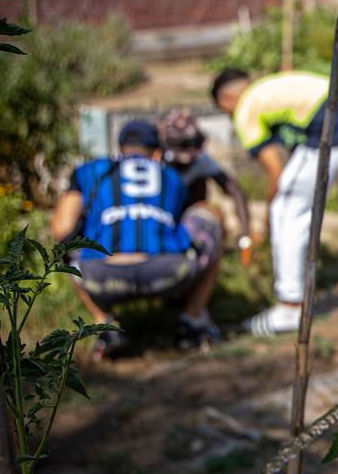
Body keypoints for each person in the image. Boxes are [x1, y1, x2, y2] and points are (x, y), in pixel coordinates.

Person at [210, 68, 338, 336]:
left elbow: (278, 174)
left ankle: (289, 306)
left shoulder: (245, 107)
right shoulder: (270, 87)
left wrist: (271, 221)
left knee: (287, 210)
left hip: (336, 130)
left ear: (226, 100)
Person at [51, 120, 224, 357]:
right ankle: (192, 322)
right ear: (157, 152)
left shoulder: (89, 171)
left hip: (99, 277)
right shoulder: (172, 174)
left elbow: (62, 229)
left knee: (69, 246)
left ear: (120, 148)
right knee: (209, 213)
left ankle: (106, 326)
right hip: (168, 272)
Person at [157, 108, 253, 263]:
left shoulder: (201, 161)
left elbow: (234, 190)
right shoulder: (154, 164)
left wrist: (245, 237)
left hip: (188, 217)